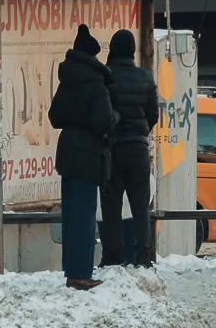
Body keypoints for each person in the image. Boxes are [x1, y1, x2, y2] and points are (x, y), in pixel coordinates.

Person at [48, 25, 118, 291]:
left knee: (72, 214)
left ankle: (72, 270)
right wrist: (115, 118)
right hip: (89, 154)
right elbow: (102, 121)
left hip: (67, 153)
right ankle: (81, 274)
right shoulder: (96, 85)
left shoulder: (66, 82)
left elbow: (55, 118)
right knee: (86, 214)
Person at [101, 29, 159, 268]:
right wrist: (140, 133)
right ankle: (144, 254)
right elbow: (153, 114)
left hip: (112, 149)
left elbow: (102, 112)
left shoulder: (106, 78)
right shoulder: (145, 78)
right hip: (138, 149)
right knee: (140, 204)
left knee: (111, 204)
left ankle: (113, 255)